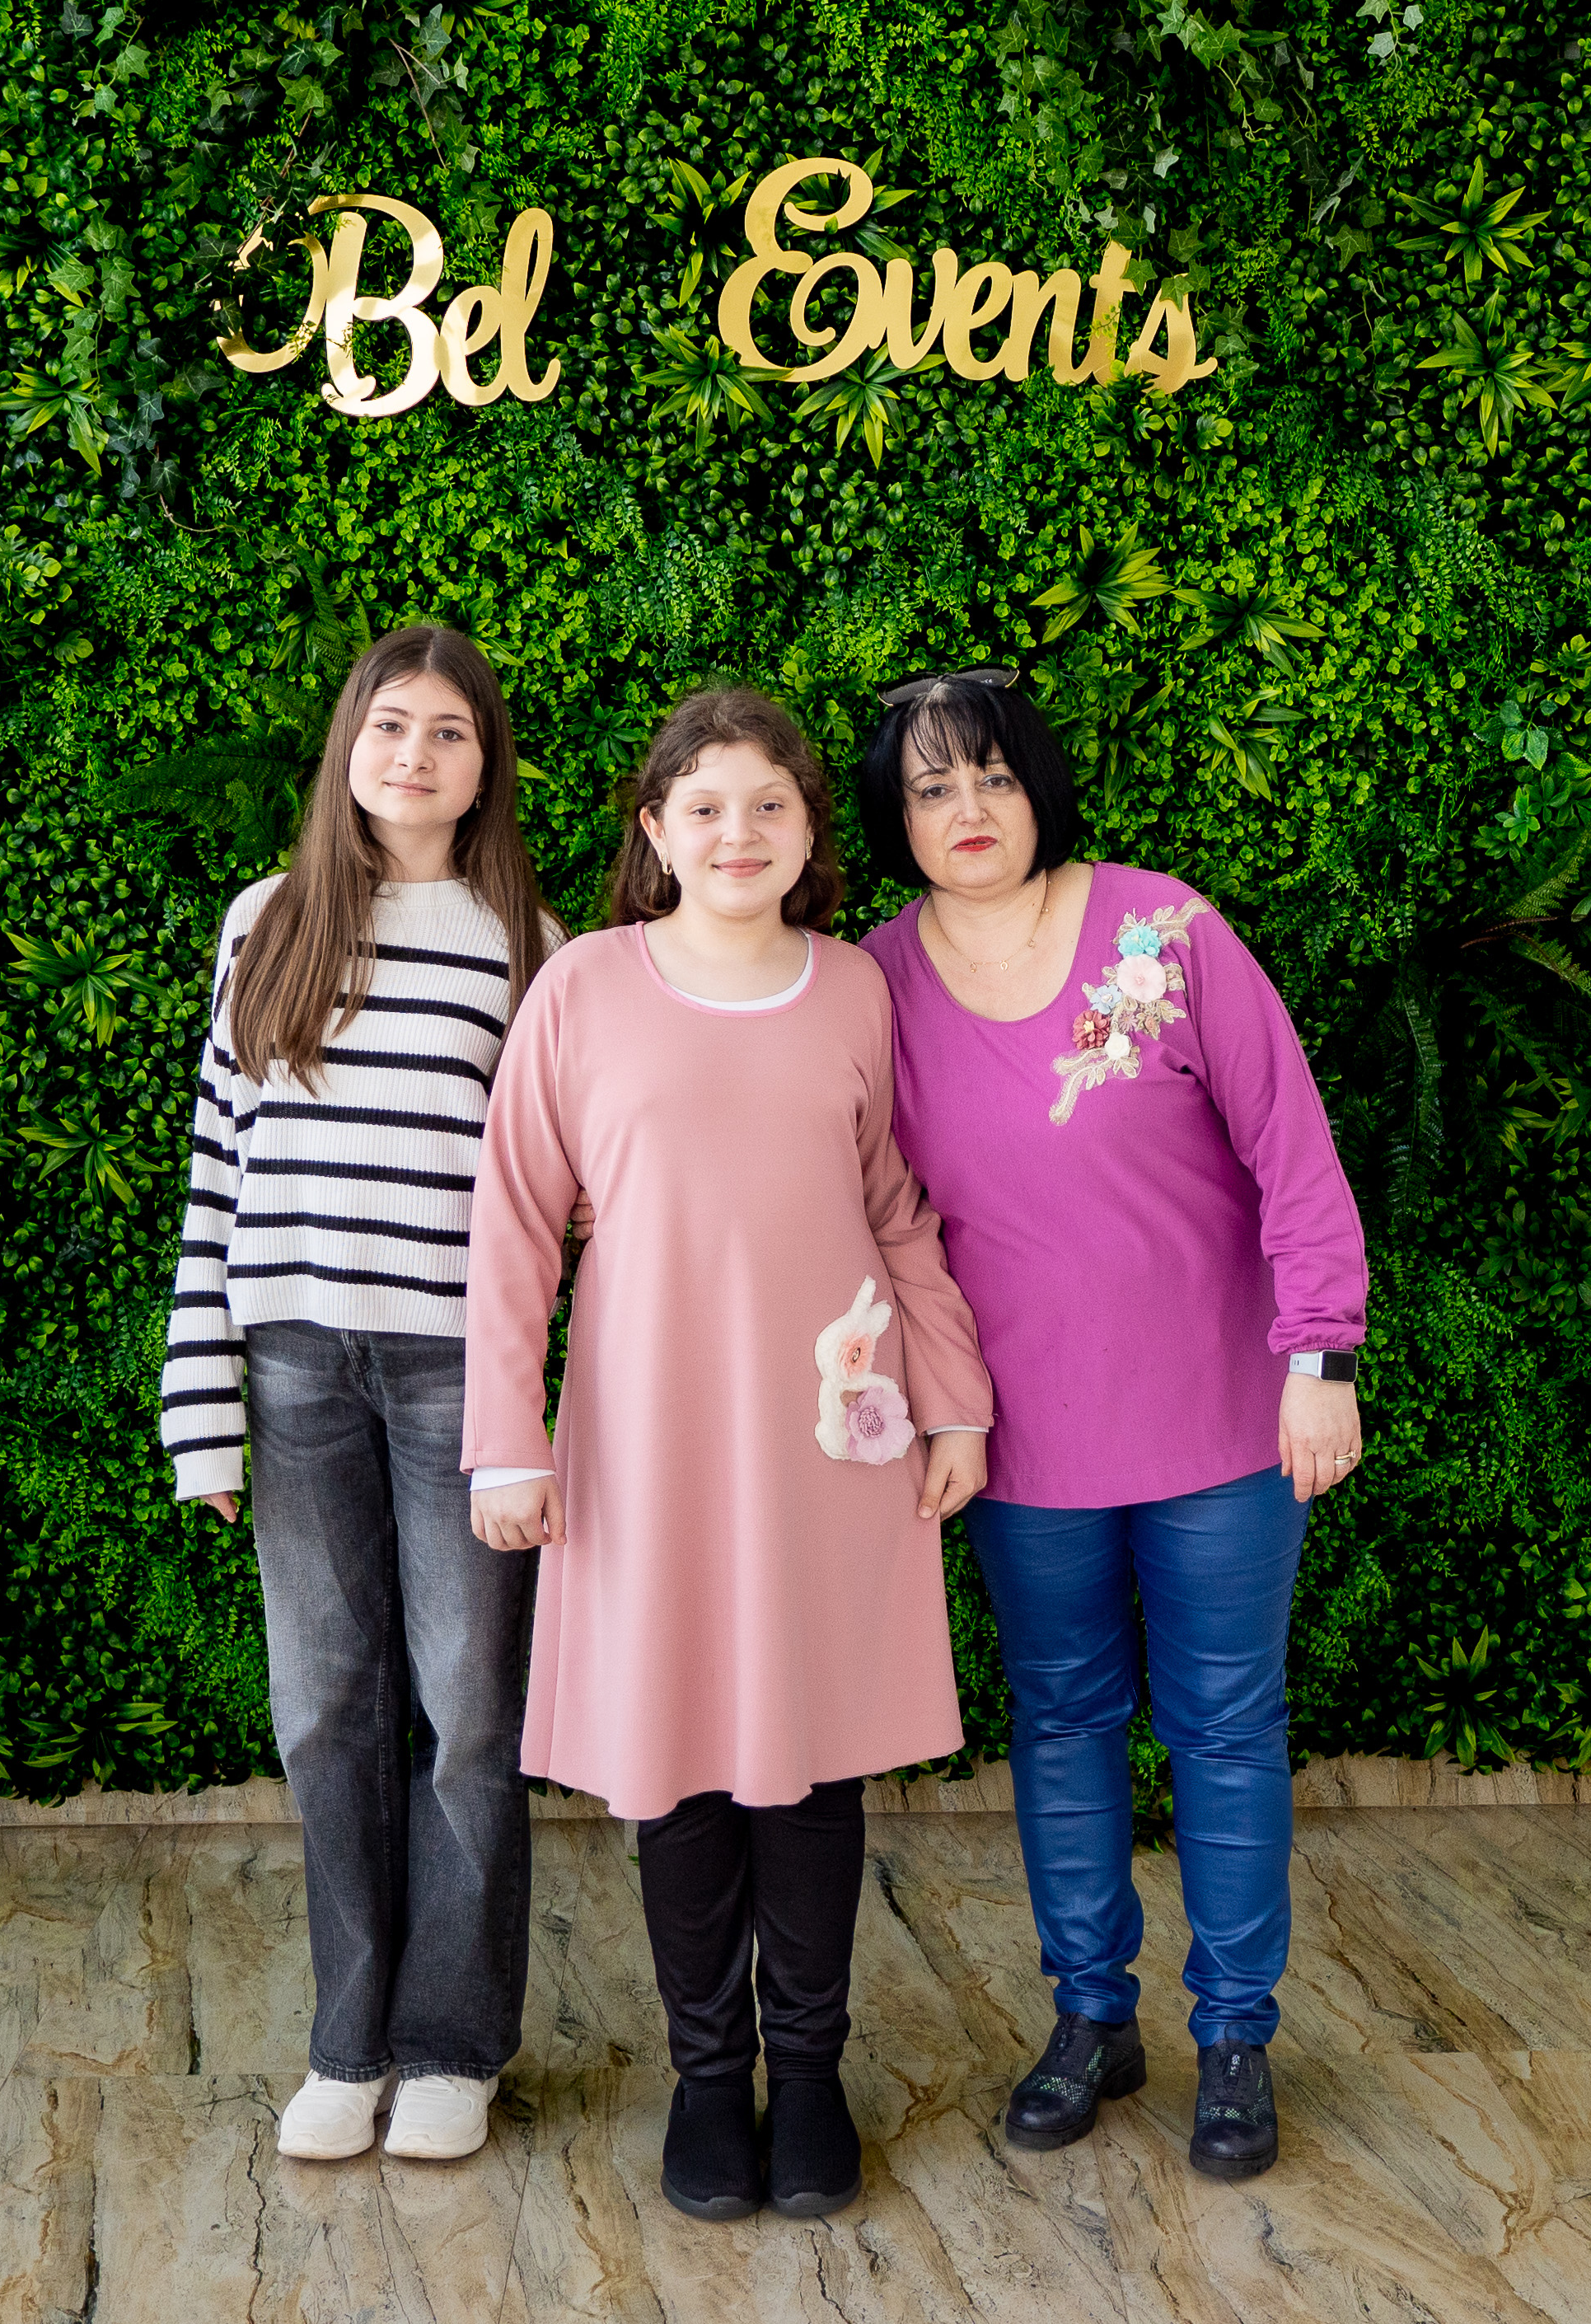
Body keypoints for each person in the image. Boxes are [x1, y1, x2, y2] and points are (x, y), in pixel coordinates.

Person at [461, 686, 994, 2223]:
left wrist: (953, 1400)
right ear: (655, 832)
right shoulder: (584, 987)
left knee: (810, 1765)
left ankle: (809, 2076)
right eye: (702, 807)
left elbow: (896, 1210)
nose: (736, 833)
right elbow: (513, 1227)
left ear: (811, 831)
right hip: (645, 1443)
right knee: (679, 1764)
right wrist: (504, 1445)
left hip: (830, 1440)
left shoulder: (854, 992)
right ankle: (709, 2079)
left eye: (769, 804)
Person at [857, 668, 1368, 2181]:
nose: (966, 810)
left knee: (1225, 1728)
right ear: (894, 817)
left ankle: (1235, 2037)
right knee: (1063, 1726)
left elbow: (1291, 1149)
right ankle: (1091, 2017)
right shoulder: (871, 984)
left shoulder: (1166, 929)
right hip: (1019, 1443)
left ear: (1039, 790)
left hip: (1222, 1424)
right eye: (931, 787)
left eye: (992, 777)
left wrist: (1320, 1356)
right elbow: (859, 1206)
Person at [159, 626, 560, 2163]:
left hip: (459, 1370)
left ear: (485, 764)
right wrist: (200, 1410)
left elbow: (552, 1194)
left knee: (465, 1714)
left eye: (450, 731)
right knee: (324, 1709)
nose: (415, 754)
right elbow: (217, 1169)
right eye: (391, 724)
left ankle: (452, 2046)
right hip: (292, 1363)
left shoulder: (525, 940)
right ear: (348, 744)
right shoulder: (265, 922)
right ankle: (349, 2044)